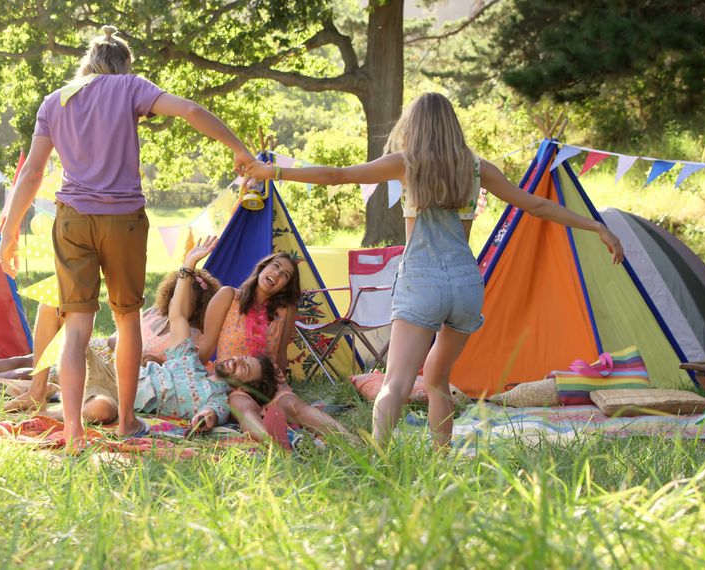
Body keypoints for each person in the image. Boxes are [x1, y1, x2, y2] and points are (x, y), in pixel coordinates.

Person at [243, 92, 625, 448]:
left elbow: (336, 175)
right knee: (439, 381)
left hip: (421, 281)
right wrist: (597, 227)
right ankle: (441, 463)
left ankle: (378, 459)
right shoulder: (476, 169)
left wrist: (273, 172)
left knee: (396, 382)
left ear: (416, 126)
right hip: (465, 284)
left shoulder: (406, 164)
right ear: (452, 126)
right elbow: (535, 206)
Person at [0, 25, 255, 447]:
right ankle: (126, 421)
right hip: (123, 220)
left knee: (77, 325)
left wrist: (9, 232)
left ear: (88, 63)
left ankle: (72, 430)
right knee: (126, 318)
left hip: (72, 220)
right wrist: (238, 148)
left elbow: (32, 173)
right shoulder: (129, 86)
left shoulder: (53, 101)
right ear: (122, 65)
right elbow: (190, 109)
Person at [48, 237, 277, 436]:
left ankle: (49, 408)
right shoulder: (188, 360)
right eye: (241, 358)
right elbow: (177, 316)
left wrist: (205, 420)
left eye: (243, 368)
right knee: (56, 313)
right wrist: (188, 266)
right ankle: (37, 388)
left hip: (118, 400)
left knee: (102, 411)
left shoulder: (217, 399)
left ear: (244, 388)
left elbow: (212, 414)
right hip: (112, 371)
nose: (236, 360)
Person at [0, 268, 222, 411]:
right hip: (106, 353)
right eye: (184, 294)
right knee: (29, 361)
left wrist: (147, 358)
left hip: (122, 372)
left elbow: (177, 366)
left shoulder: (190, 338)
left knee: (29, 367)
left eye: (193, 298)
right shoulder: (154, 315)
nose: (184, 300)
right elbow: (116, 338)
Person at [200, 252, 350, 442]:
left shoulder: (285, 311)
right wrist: (190, 380)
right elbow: (206, 345)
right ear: (263, 267)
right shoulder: (228, 296)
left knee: (296, 407)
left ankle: (353, 442)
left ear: (285, 287)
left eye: (285, 275)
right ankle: (278, 448)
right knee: (245, 408)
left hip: (268, 379)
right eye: (276, 266)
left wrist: (281, 386)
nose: (277, 274)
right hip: (232, 380)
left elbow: (281, 355)